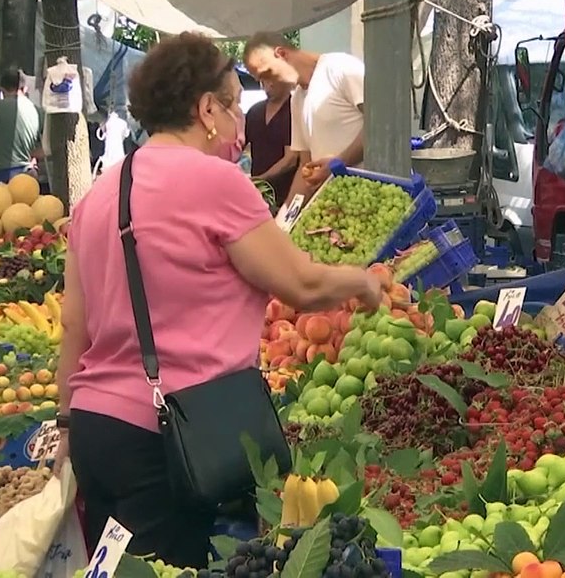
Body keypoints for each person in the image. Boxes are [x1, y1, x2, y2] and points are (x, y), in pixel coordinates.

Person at [51, 32, 383, 568]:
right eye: (233, 108)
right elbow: (302, 284)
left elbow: (74, 326)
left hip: (97, 431)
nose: (239, 129)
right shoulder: (215, 181)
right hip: (171, 438)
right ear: (206, 109)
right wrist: (362, 282)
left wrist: (66, 426)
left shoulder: (100, 193)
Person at [242, 33, 364, 206]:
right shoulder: (297, 99)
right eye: (260, 80)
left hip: (370, 199)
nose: (266, 84)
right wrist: (285, 217)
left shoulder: (341, 68)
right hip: (334, 207)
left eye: (266, 74)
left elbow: (381, 124)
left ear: (281, 54)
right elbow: (304, 167)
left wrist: (339, 163)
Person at [245, 78, 297, 209]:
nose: (269, 83)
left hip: (286, 196)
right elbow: (237, 146)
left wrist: (261, 179)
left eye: (273, 78)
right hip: (258, 195)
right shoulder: (254, 111)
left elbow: (291, 159)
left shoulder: (295, 112)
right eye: (265, 78)